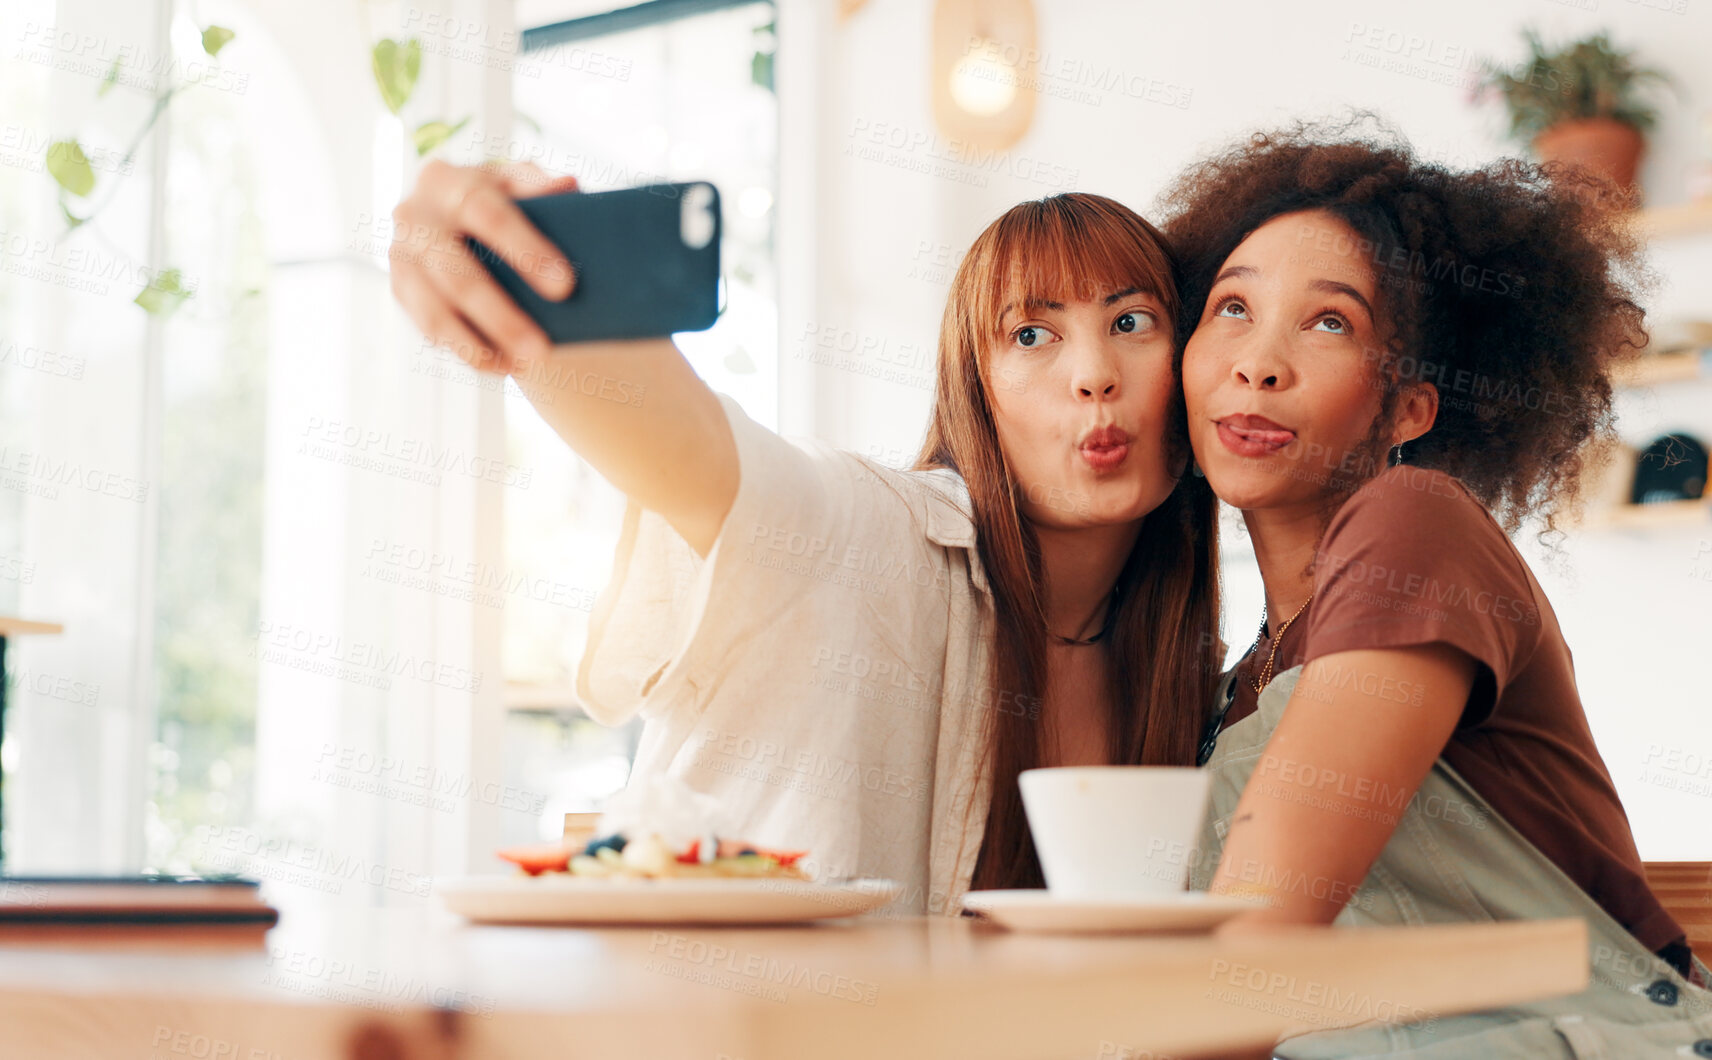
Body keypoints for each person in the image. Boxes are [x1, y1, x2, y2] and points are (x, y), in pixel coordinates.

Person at [386, 161, 1220, 914]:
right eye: (1030, 336)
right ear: (976, 391)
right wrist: (508, 267)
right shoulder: (865, 534)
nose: (1093, 375)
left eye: (1133, 321)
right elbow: (695, 452)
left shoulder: (1182, 680)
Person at [1163, 122, 1712, 1058]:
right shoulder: (1237, 679)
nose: (1258, 362)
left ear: (1408, 407)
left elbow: (1257, 946)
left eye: (1329, 322)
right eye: (1230, 309)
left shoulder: (1415, 523)